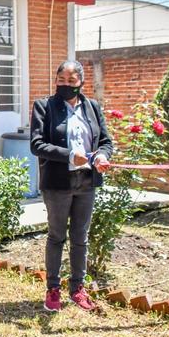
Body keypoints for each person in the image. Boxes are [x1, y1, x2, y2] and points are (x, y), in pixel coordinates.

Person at [29, 60, 112, 312]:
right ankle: (53, 289)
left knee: (80, 237)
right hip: (57, 184)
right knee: (56, 236)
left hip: (87, 181)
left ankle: (77, 289)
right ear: (56, 81)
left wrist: (102, 156)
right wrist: (69, 155)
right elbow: (37, 145)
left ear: (81, 82)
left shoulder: (92, 107)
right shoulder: (44, 106)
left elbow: (106, 141)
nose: (66, 85)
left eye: (71, 81)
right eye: (61, 80)